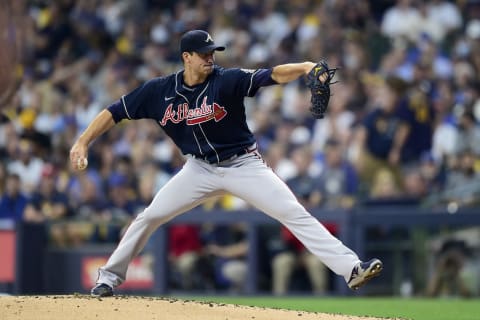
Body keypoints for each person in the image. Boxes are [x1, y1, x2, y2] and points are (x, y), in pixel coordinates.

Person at [69, 30, 382, 297]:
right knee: (150, 216)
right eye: (204, 53)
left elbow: (270, 75)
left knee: (293, 212)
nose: (211, 57)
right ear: (186, 57)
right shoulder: (158, 91)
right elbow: (114, 111)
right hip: (198, 169)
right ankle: (109, 278)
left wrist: (304, 67)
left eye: (213, 52)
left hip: (243, 165)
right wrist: (83, 141)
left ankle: (351, 268)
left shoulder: (227, 80)